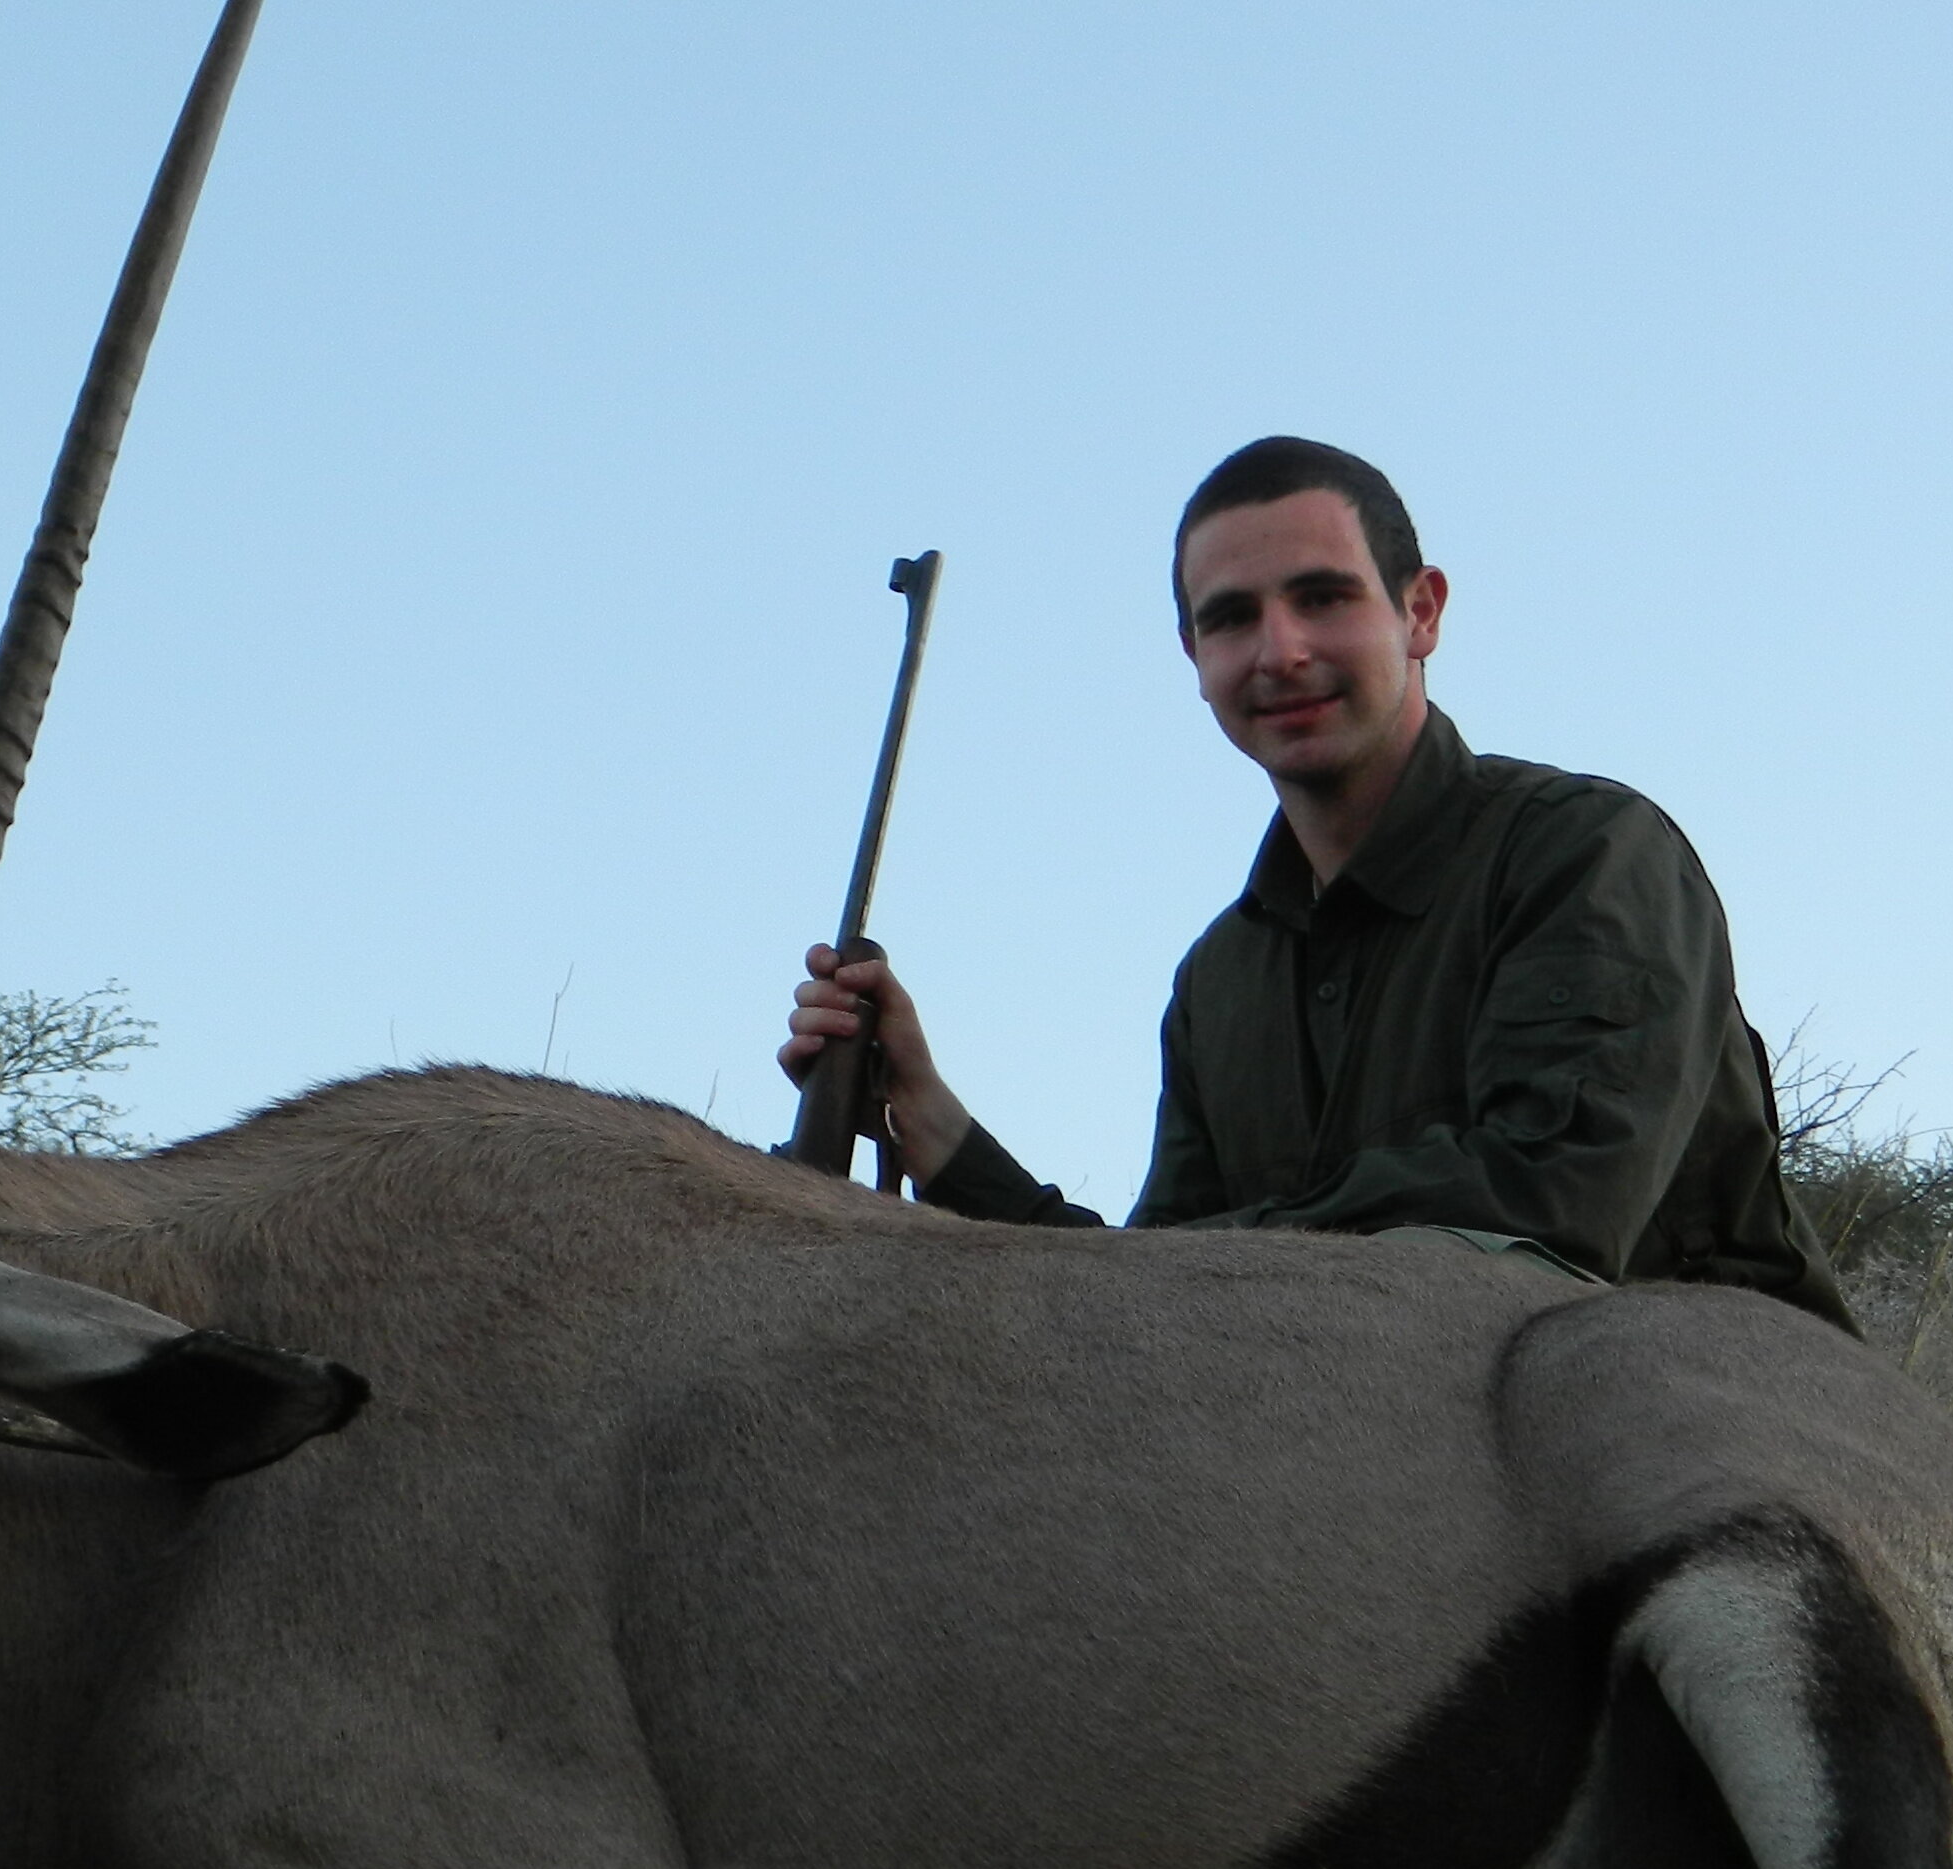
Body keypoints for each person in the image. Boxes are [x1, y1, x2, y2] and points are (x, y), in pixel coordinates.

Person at [779, 435, 1850, 1325]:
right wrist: (941, 1137)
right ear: (1193, 656)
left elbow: (1550, 1212)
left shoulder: (1591, 854)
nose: (1278, 651)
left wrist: (1224, 1261)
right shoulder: (1219, 982)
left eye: (1323, 597)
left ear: (1421, 612)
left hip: (1709, 1445)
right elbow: (1152, 1298)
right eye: (1232, 618)